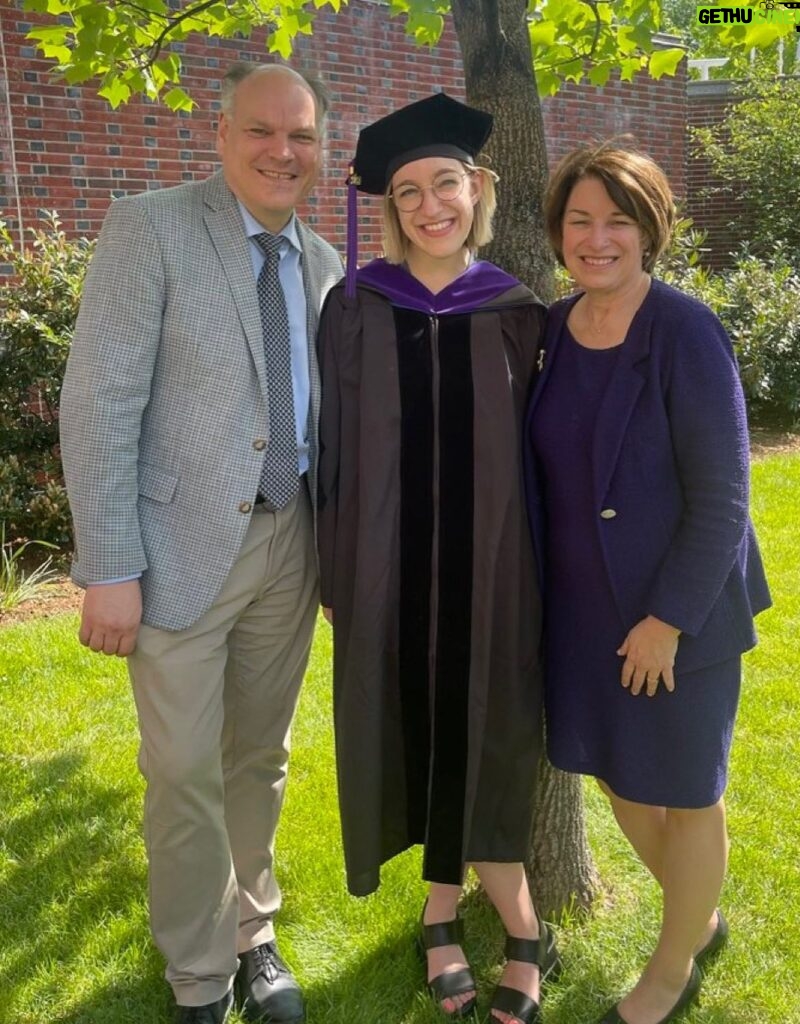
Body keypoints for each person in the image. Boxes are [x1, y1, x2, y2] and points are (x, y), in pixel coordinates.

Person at [59, 62, 343, 1024]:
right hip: (176, 550)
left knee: (259, 757)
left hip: (289, 547)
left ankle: (251, 931)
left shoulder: (324, 264)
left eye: (300, 135)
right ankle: (196, 976)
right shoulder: (154, 228)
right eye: (262, 131)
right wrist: (108, 567)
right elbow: (101, 404)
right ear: (220, 136)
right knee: (182, 770)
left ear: (321, 148)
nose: (282, 151)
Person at [316, 92, 560, 1024]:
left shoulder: (516, 312)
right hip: (386, 569)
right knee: (409, 723)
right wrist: (344, 575)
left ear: (477, 190)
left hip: (497, 572)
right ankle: (439, 907)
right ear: (390, 205)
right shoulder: (355, 307)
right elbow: (333, 449)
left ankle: (515, 919)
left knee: (491, 728)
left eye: (446, 184)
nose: (430, 205)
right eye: (410, 190)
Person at [524, 142, 771, 1024]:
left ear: (649, 229)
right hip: (585, 612)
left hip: (680, 610)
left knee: (686, 787)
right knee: (620, 777)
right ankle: (693, 918)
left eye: (616, 222)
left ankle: (667, 973)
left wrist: (668, 618)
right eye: (580, 221)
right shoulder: (553, 327)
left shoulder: (685, 330)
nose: (596, 239)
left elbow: (724, 496)